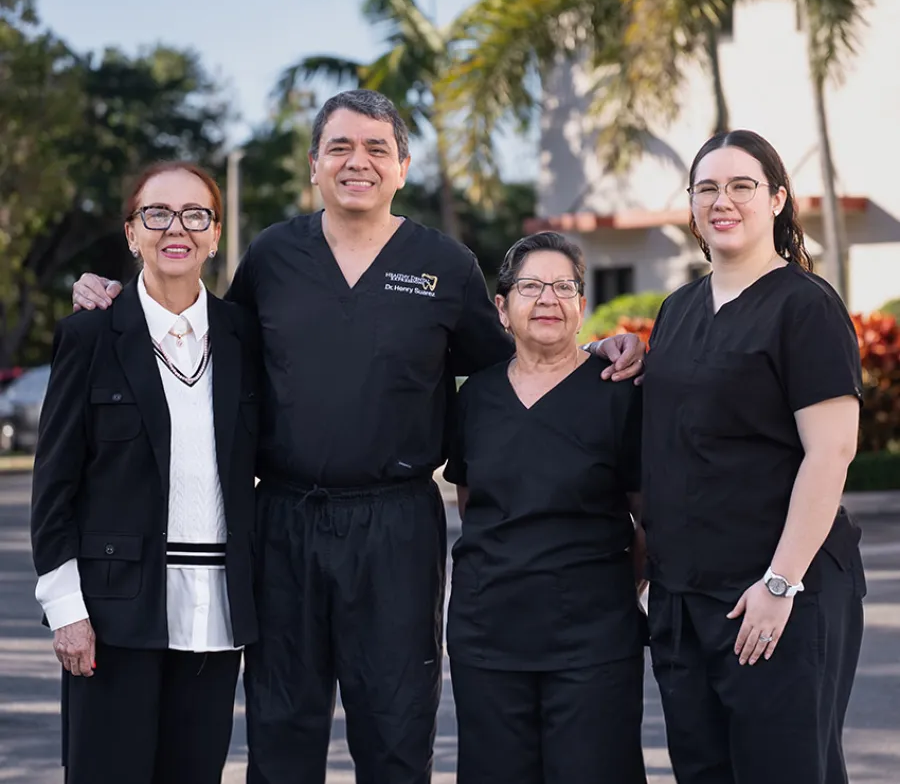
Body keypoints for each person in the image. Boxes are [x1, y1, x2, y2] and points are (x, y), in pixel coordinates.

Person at [71, 89, 645, 784]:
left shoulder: (445, 265)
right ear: (314, 165)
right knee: (282, 733)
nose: (358, 161)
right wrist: (110, 294)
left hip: (396, 527)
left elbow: (520, 358)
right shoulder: (275, 255)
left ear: (403, 167)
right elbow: (205, 328)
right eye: (339, 146)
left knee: (396, 732)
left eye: (377, 148)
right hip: (283, 520)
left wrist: (601, 351)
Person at [641, 129, 865, 784]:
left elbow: (832, 451)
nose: (722, 200)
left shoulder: (806, 305)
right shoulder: (676, 309)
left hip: (777, 596)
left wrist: (780, 583)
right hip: (684, 601)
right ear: (691, 205)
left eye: (741, 185)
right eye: (706, 188)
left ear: (776, 199)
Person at [32, 162, 260, 784]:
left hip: (214, 618)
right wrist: (66, 611)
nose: (176, 228)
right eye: (156, 214)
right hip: (112, 616)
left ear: (215, 235)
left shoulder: (244, 337)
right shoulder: (90, 333)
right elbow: (53, 489)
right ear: (132, 233)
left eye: (196, 215)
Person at [444, 232, 647, 784]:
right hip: (488, 636)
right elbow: (474, 506)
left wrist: (603, 594)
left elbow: (646, 518)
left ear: (582, 307)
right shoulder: (476, 397)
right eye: (531, 286)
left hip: (594, 637)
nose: (548, 300)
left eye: (564, 287)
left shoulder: (618, 392)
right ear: (502, 308)